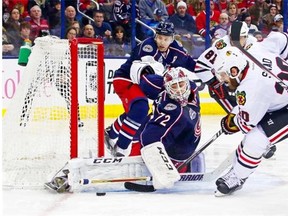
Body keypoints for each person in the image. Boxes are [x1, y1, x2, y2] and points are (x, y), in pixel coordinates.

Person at [105, 21, 196, 157]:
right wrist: (165, 85)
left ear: (172, 39)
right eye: (159, 37)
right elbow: (145, 78)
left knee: (138, 114)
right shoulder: (148, 47)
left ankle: (111, 133)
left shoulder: (176, 49)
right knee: (140, 108)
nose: (162, 42)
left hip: (143, 83)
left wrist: (210, 75)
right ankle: (121, 149)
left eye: (165, 39)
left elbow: (192, 64)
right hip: (126, 79)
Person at [212, 46, 288, 196]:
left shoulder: (252, 88)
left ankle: (238, 177)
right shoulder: (252, 55)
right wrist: (235, 114)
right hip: (279, 101)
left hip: (283, 105)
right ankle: (237, 169)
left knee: (256, 139)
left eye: (223, 75)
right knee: (255, 136)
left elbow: (246, 125)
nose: (223, 80)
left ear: (234, 71)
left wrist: (230, 124)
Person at [130, 66, 204, 189]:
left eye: (181, 84)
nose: (180, 91)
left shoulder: (192, 87)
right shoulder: (172, 110)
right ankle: (136, 163)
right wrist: (163, 172)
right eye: (174, 87)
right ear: (167, 88)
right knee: (144, 144)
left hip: (185, 148)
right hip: (171, 154)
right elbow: (148, 138)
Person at [195, 21, 256, 114]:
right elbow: (200, 67)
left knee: (251, 115)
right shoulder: (221, 46)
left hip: (244, 83)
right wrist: (215, 84)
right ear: (229, 36)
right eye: (233, 38)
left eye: (239, 39)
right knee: (236, 117)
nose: (236, 43)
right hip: (223, 86)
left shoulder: (254, 44)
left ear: (246, 36)